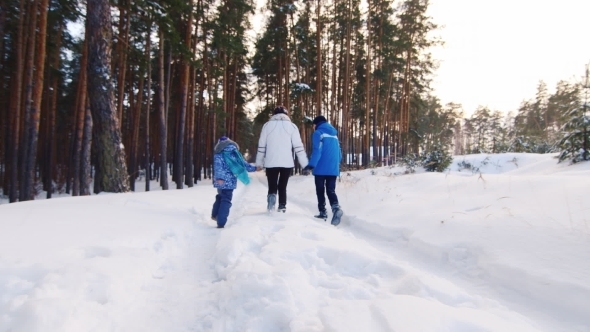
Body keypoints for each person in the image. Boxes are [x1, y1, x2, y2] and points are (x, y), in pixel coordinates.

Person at [256, 105, 308, 212]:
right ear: (286, 114)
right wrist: (304, 163)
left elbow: (261, 146)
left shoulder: (267, 126)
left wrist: (259, 163)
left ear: (274, 114)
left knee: (272, 184)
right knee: (283, 186)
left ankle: (271, 202)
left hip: (271, 162)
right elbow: (298, 147)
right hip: (287, 162)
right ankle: (282, 206)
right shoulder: (292, 126)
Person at [302, 116, 343, 226]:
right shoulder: (334, 135)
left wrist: (311, 165)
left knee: (320, 189)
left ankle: (322, 212)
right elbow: (339, 155)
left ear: (316, 124)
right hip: (333, 167)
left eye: (313, 125)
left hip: (321, 167)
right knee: (331, 189)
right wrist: (336, 163)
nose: (313, 127)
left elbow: (317, 150)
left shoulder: (318, 133)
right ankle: (336, 208)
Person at [212, 136, 257, 228]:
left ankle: (215, 215)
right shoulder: (235, 153)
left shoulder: (218, 154)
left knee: (220, 197)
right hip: (230, 182)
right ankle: (221, 222)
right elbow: (244, 165)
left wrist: (219, 178)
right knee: (226, 200)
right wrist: (255, 168)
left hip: (220, 181)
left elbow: (218, 167)